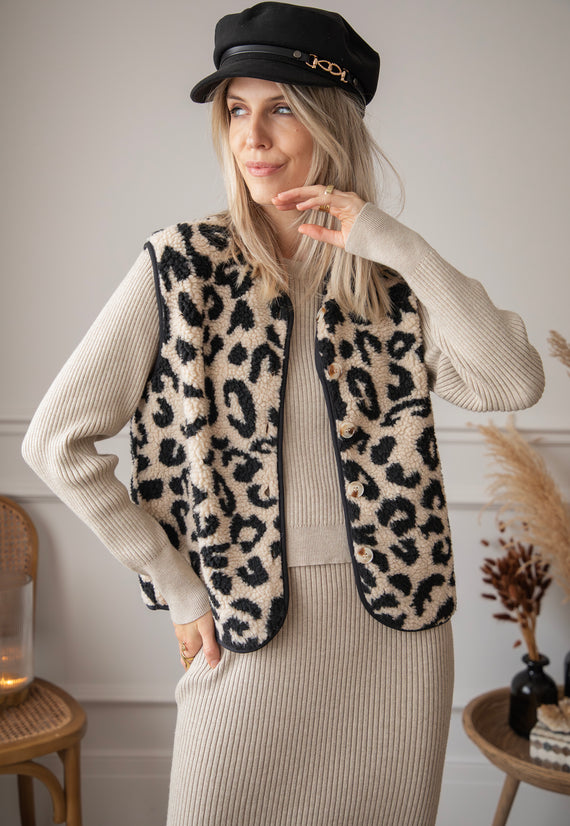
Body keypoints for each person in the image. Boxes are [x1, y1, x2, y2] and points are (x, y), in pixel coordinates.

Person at [22, 3, 544, 825]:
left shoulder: (388, 281)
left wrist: (397, 243)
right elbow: (55, 443)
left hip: (396, 643)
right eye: (237, 110)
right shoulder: (183, 266)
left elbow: (512, 382)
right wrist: (177, 587)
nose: (253, 137)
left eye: (282, 109)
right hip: (243, 621)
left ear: (330, 123)